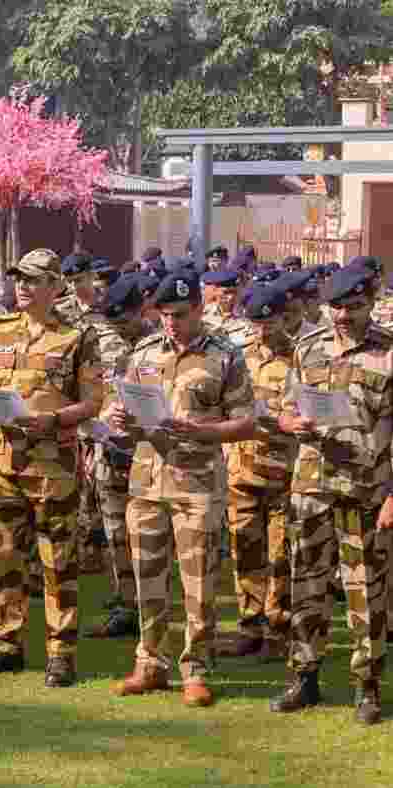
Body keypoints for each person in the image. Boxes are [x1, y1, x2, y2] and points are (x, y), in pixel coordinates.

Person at [107, 270, 255, 708]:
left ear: (199, 309)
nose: (171, 322)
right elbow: (127, 409)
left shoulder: (225, 355)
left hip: (197, 486)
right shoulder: (145, 352)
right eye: (165, 314)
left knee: (199, 583)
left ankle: (196, 669)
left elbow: (247, 421)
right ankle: (149, 662)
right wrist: (118, 418)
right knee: (147, 578)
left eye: (180, 314)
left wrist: (199, 430)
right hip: (147, 481)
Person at [0, 248, 103, 688]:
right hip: (4, 464)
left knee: (57, 562)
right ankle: (7, 643)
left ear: (56, 286)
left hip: (52, 467)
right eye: (18, 279)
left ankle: (60, 652)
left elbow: (92, 401)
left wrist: (55, 419)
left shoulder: (76, 336)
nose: (22, 287)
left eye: (32, 280)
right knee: (5, 557)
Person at [271, 265, 390, 725]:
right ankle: (304, 677)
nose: (342, 315)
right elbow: (285, 408)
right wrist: (290, 423)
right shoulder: (308, 348)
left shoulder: (388, 352)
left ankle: (368, 686)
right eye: (335, 307)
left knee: (366, 591)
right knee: (307, 586)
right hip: (311, 487)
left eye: (353, 306)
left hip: (365, 489)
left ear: (371, 302)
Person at [221, 284, 297, 663]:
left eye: (270, 322)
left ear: (285, 317)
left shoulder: (301, 358)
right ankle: (250, 626)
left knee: (281, 555)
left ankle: (278, 630)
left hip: (285, 474)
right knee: (245, 551)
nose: (263, 330)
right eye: (256, 323)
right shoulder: (238, 357)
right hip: (242, 471)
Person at [82, 275, 149, 640]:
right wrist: (90, 436)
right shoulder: (99, 342)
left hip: (151, 454)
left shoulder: (160, 344)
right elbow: (86, 393)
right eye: (113, 321)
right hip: (108, 451)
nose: (118, 328)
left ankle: (153, 607)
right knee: (116, 534)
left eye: (124, 320)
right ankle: (125, 605)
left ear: (141, 310)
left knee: (151, 537)